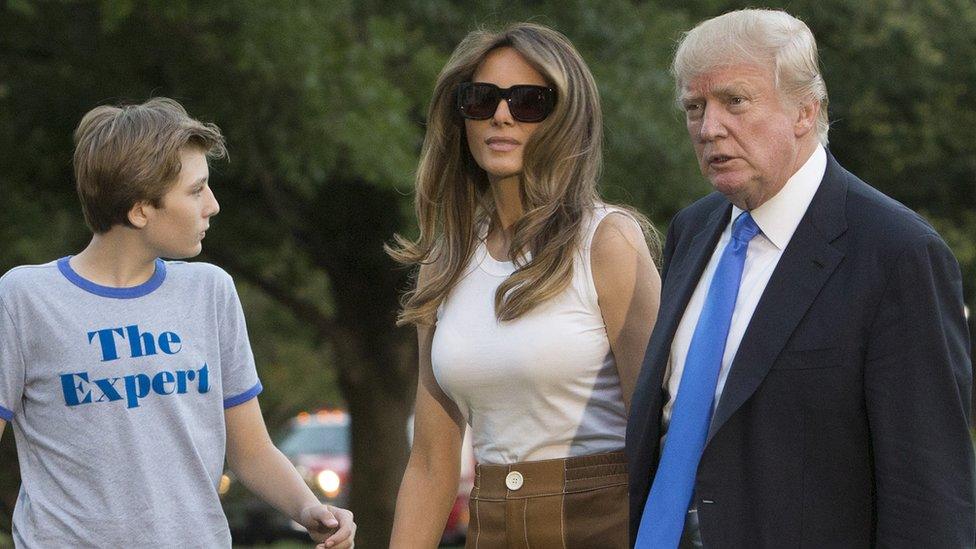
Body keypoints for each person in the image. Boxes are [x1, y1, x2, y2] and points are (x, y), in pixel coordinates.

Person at [626, 8, 975, 548]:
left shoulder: (897, 254)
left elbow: (929, 495)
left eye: (734, 101)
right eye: (694, 107)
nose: (709, 127)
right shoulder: (692, 231)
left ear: (805, 111)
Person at [0, 98, 355, 549]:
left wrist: (310, 511)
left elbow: (250, 452)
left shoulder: (211, 292)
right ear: (140, 209)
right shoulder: (24, 299)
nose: (213, 205)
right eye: (195, 190)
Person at [387, 22, 661, 548]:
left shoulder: (607, 242)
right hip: (490, 528)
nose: (501, 115)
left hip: (604, 526)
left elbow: (658, 433)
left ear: (567, 116)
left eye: (530, 101)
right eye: (481, 99)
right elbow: (430, 467)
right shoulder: (443, 265)